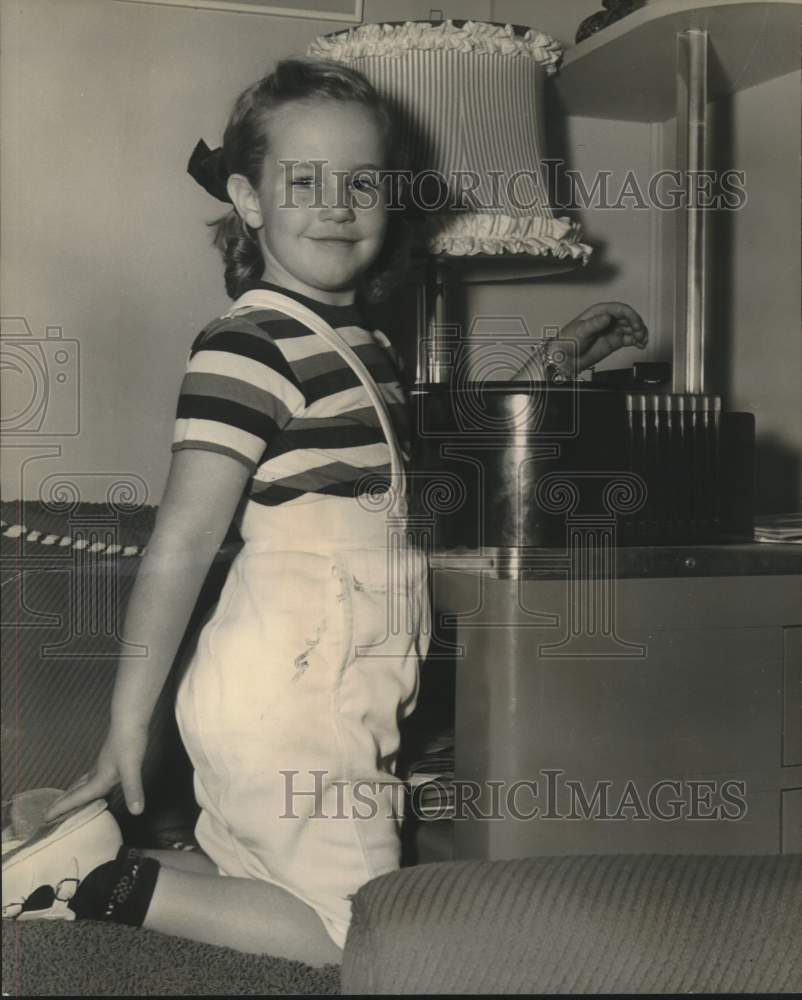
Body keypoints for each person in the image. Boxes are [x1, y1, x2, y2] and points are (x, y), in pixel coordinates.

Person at [1, 57, 647, 966]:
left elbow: (415, 473)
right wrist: (126, 723)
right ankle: (89, 886)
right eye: (303, 180)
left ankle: (93, 869)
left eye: (364, 180)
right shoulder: (249, 346)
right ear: (249, 198)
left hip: (324, 698)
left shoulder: (361, 345)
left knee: (262, 904)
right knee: (363, 935)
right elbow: (182, 541)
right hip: (291, 703)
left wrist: (550, 370)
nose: (336, 203)